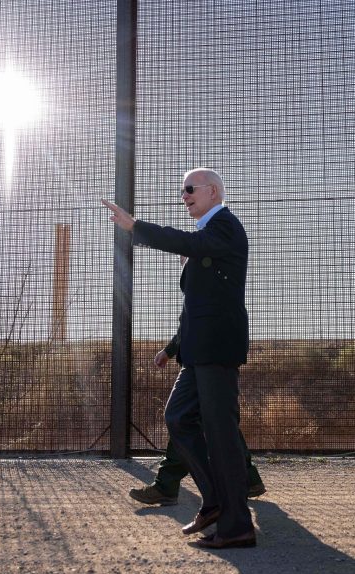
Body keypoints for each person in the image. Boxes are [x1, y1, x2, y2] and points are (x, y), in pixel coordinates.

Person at [103, 168, 256, 549]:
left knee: (220, 434)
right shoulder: (209, 235)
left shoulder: (225, 225)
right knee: (177, 417)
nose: (183, 195)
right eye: (182, 190)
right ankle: (216, 501)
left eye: (189, 189)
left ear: (213, 191)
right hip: (196, 351)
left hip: (216, 349)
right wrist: (173, 348)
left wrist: (137, 227)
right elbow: (197, 305)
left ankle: (237, 525)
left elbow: (188, 244)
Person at [129, 330, 265, 505]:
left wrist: (170, 350)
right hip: (210, 357)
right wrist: (170, 350)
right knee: (208, 421)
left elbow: (194, 319)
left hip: (206, 358)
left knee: (185, 419)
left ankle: (168, 486)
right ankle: (248, 480)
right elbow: (193, 319)